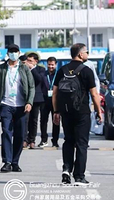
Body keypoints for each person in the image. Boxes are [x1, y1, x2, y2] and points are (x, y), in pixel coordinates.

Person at [52, 43, 103, 185]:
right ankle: (79, 176)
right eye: (86, 52)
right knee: (81, 143)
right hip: (82, 112)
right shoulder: (87, 71)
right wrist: (99, 111)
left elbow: (55, 93)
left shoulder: (62, 70)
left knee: (68, 140)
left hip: (66, 111)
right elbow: (94, 94)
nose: (87, 54)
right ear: (80, 54)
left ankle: (66, 170)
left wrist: (56, 111)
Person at [0, 44, 34, 173]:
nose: (13, 54)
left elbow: (31, 87)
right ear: (8, 53)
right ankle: (7, 161)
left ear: (19, 53)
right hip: (5, 104)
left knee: (19, 135)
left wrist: (29, 102)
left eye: (15, 51)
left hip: (21, 106)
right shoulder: (1, 68)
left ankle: (15, 161)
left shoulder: (24, 69)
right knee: (6, 132)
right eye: (11, 52)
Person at [25, 52, 47, 149]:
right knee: (25, 120)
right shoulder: (23, 69)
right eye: (27, 60)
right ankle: (24, 139)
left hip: (36, 98)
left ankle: (32, 140)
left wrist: (32, 68)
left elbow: (39, 79)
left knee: (34, 120)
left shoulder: (40, 69)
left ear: (36, 61)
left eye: (30, 61)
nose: (28, 63)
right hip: (25, 98)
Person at [39, 56, 60, 148]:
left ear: (56, 65)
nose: (51, 66)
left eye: (52, 65)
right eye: (49, 64)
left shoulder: (59, 74)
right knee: (43, 120)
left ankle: (55, 141)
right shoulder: (43, 74)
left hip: (56, 100)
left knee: (56, 120)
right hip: (44, 100)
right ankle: (44, 139)